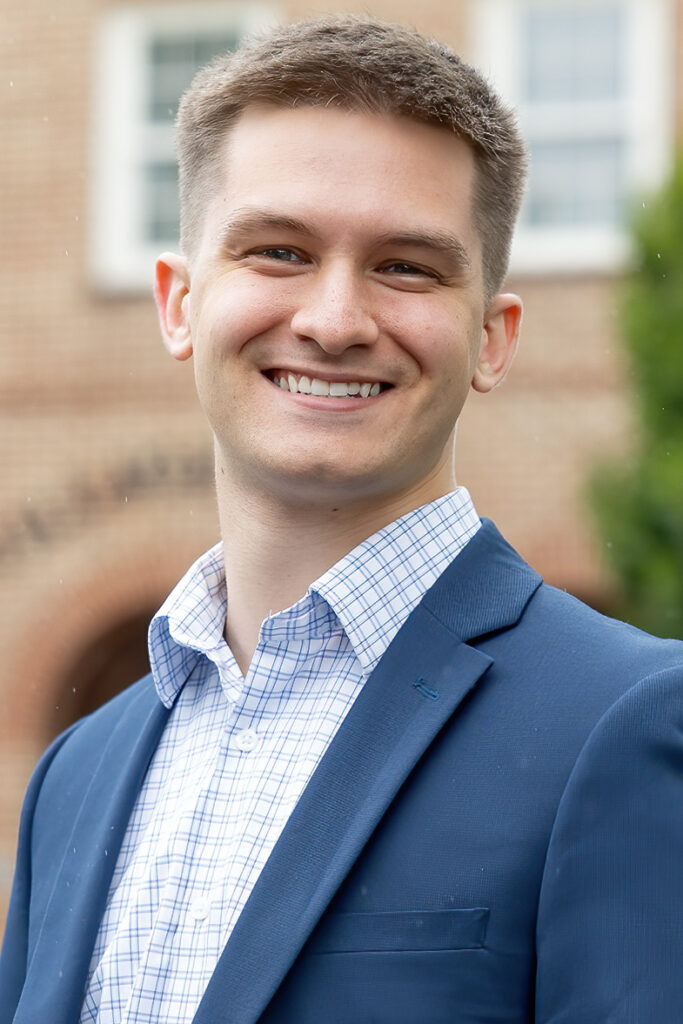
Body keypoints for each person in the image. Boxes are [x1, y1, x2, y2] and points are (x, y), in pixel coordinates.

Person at [1, 14, 681, 1024]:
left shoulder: (624, 724)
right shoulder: (75, 773)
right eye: (278, 250)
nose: (331, 319)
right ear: (180, 303)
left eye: (405, 266)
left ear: (490, 338)